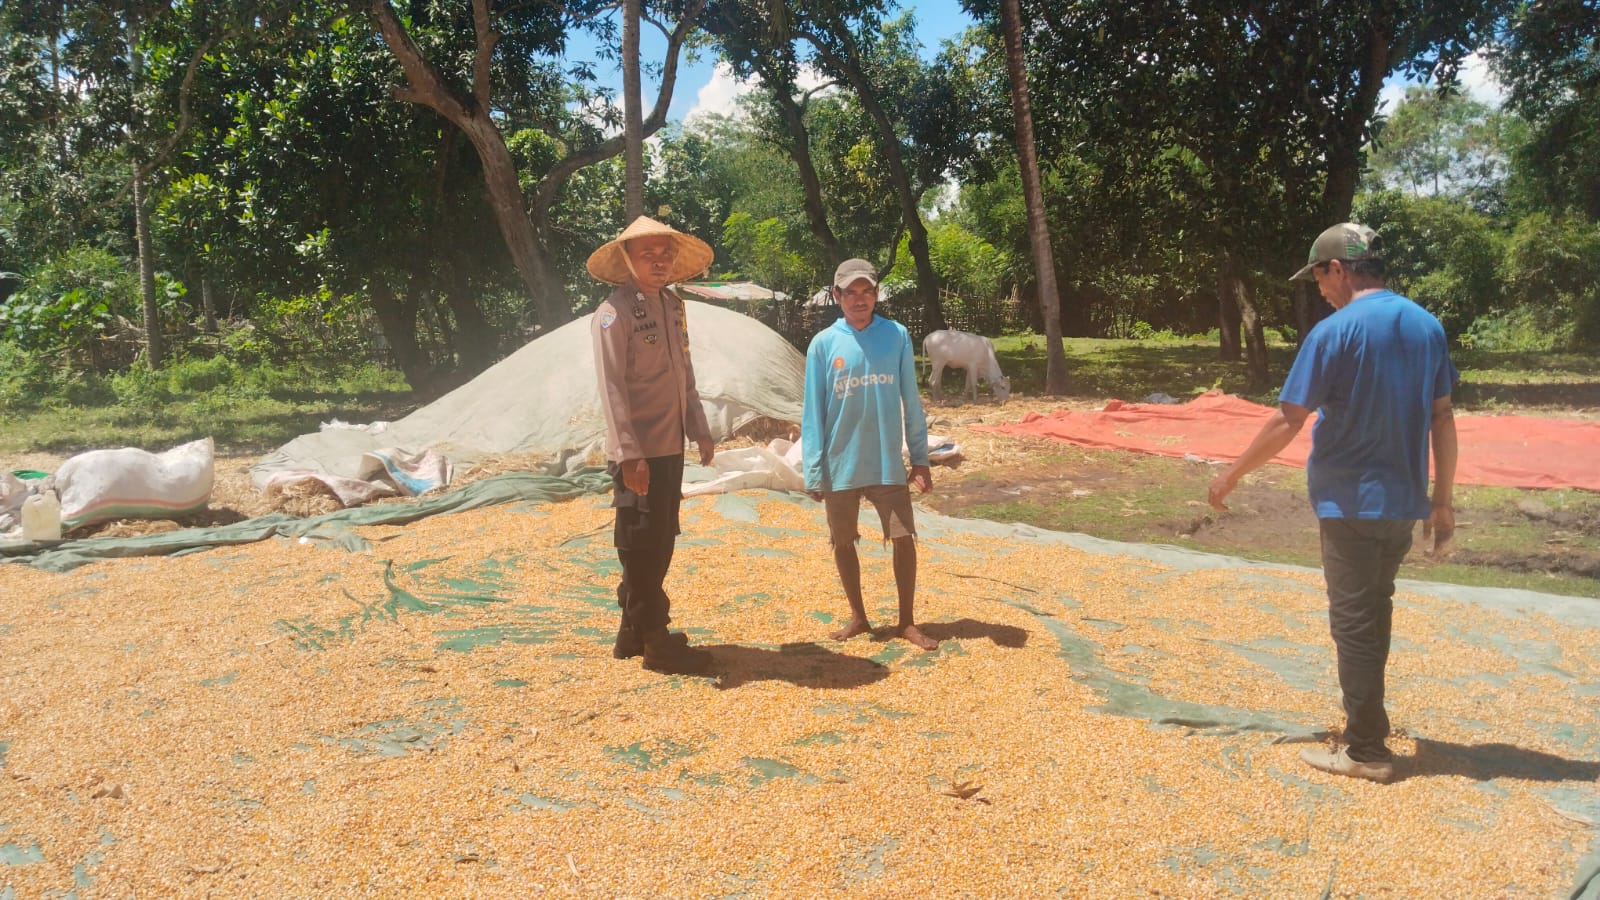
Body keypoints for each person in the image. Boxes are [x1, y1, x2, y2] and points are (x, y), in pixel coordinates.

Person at [1208, 222, 1459, 784]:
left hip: (1350, 505)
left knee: (1353, 624)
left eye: (1318, 277)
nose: (1319, 290)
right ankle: (1368, 721)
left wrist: (1230, 476)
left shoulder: (1335, 331)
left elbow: (1288, 420)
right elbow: (1442, 417)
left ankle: (1365, 750)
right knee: (1375, 611)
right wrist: (1441, 502)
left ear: (1338, 269)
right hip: (1402, 503)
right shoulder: (1427, 326)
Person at [589, 216, 717, 675]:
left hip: (669, 446)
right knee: (640, 542)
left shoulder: (673, 306)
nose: (659, 262)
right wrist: (629, 453)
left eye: (666, 254)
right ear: (627, 260)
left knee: (660, 539)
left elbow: (684, 373)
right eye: (648, 255)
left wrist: (699, 427)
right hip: (639, 451)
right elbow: (611, 388)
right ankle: (657, 640)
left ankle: (632, 633)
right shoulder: (613, 313)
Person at [801, 258, 939, 652]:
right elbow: (812, 413)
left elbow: (911, 400)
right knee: (842, 541)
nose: (859, 299)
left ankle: (906, 621)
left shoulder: (896, 335)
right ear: (837, 295)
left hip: (885, 463)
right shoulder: (823, 344)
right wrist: (814, 470)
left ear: (877, 294)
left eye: (867, 291)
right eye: (851, 292)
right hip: (840, 462)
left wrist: (920, 459)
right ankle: (859, 616)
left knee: (903, 537)